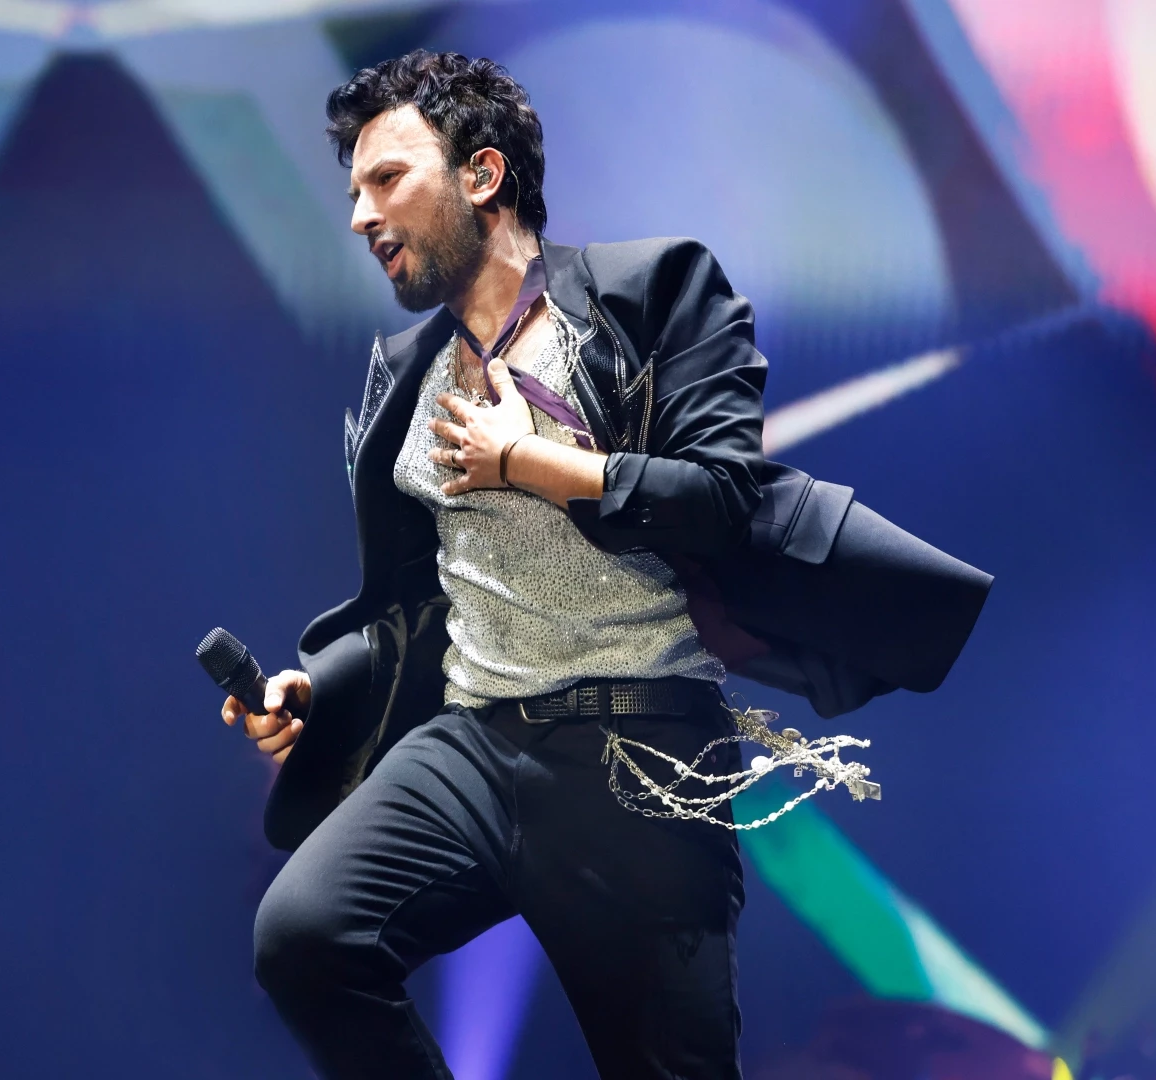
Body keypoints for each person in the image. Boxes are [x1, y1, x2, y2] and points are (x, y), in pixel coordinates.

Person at [221, 51, 992, 1079]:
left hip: (636, 754)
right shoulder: (405, 377)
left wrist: (529, 462)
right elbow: (430, 602)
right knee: (305, 941)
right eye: (353, 191)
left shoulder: (649, 293)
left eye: (388, 179)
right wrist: (320, 690)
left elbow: (723, 500)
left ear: (482, 174)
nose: (361, 215)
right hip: (471, 747)